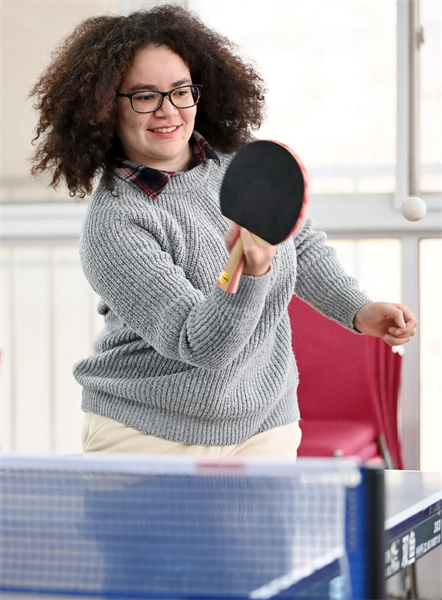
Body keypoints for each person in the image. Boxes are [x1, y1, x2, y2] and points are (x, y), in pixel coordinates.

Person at [30, 5, 417, 460]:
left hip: (264, 421)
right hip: (151, 434)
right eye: (144, 96)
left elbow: (299, 243)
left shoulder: (239, 162)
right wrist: (251, 274)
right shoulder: (115, 226)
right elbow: (200, 343)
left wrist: (358, 309)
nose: (167, 110)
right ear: (102, 109)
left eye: (180, 91)